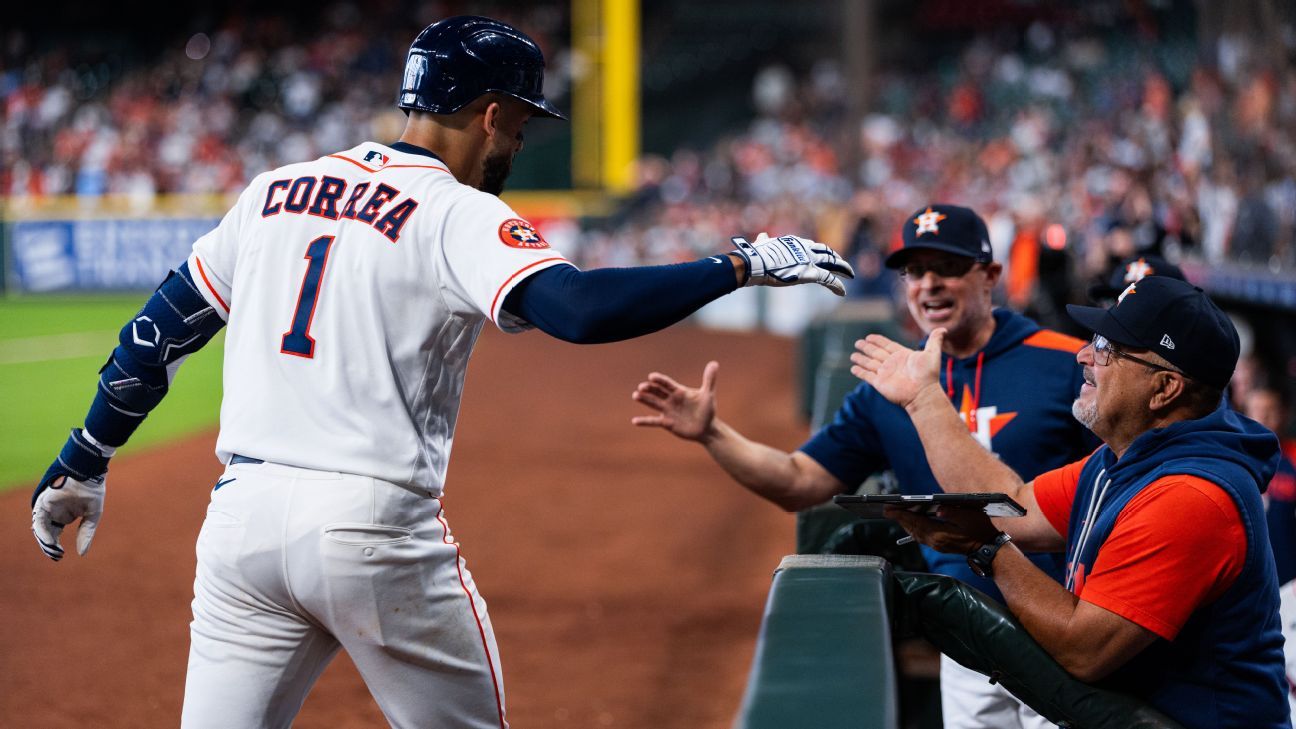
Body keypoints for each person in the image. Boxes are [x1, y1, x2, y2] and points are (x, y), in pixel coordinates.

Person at [27, 16, 853, 729]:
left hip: (240, 524)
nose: (521, 140)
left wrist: (86, 456)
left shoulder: (274, 188)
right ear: (490, 115)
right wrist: (738, 264)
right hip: (370, 526)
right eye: (522, 123)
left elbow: (158, 331)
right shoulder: (458, 210)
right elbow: (581, 311)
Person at [631, 204, 1094, 729]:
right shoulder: (888, 385)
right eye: (915, 272)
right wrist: (714, 434)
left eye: (947, 267)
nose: (929, 285)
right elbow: (798, 481)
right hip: (968, 638)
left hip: (1063, 626)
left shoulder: (1066, 361)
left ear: (989, 276)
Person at [852, 276, 1290, 729]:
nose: (1084, 356)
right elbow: (1014, 505)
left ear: (1164, 389)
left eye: (1109, 349)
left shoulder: (1191, 497)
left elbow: (1085, 651)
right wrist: (924, 399)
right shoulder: (1121, 460)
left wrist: (987, 550)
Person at [1243, 384, 1296, 721]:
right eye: (1256, 411)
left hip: (1288, 588)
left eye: (1270, 411)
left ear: (1285, 414)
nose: (1264, 418)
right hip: (1248, 588)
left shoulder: (1293, 461)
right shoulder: (1236, 456)